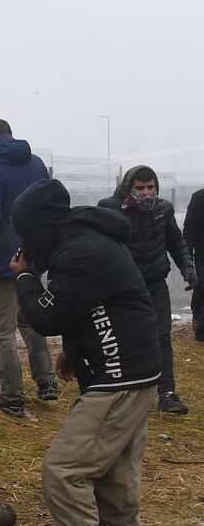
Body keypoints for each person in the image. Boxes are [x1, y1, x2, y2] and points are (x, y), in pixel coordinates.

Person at [10, 178, 160, 526]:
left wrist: (24, 278)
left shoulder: (81, 251)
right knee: (114, 482)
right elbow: (91, 306)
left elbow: (46, 316)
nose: (23, 241)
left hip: (120, 381)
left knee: (63, 470)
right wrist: (75, 354)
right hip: (130, 373)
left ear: (41, 225)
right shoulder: (81, 241)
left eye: (25, 231)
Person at [0, 118, 57, 416]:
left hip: (0, 260)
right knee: (31, 320)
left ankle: (11, 395)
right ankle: (47, 382)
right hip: (32, 255)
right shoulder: (36, 164)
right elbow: (47, 206)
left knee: (3, 330)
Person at [97, 166, 196, 413]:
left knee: (161, 337)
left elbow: (175, 242)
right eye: (140, 188)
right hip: (122, 287)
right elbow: (96, 245)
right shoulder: (109, 209)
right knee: (122, 339)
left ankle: (168, 393)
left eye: (150, 187)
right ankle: (122, 393)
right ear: (129, 188)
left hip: (155, 283)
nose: (146, 193)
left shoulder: (163, 210)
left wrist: (187, 267)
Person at [183, 186, 204, 341]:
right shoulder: (199, 198)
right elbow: (189, 230)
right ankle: (200, 323)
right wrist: (186, 259)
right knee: (202, 287)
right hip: (202, 253)